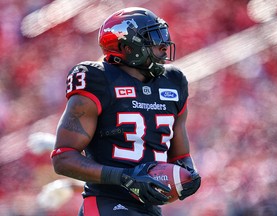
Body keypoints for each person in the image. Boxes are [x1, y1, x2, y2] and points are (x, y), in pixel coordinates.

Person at [51, 7, 201, 216]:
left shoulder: (174, 82)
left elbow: (181, 155)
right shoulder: (97, 79)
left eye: (163, 36)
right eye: (153, 37)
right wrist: (125, 177)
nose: (164, 45)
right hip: (107, 204)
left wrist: (189, 174)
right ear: (128, 48)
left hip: (148, 208)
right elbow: (63, 158)